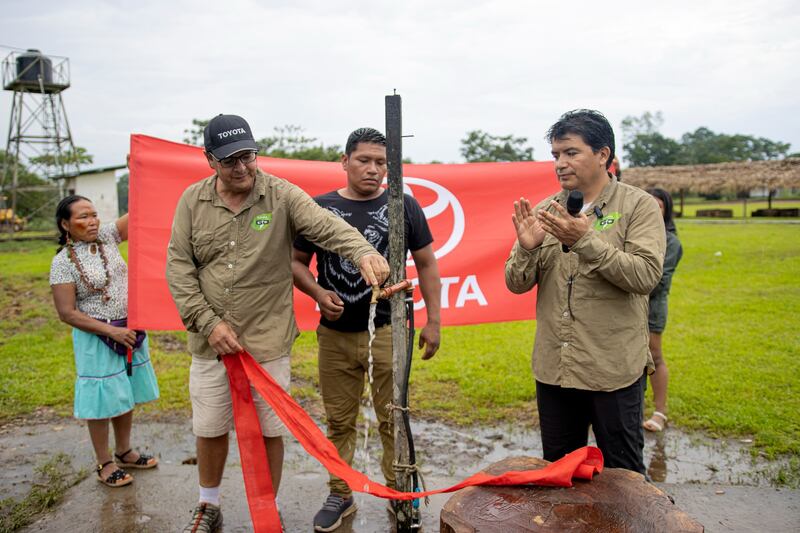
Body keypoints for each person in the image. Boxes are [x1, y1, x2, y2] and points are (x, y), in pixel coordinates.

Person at [166, 114, 390, 533]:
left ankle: (265, 508)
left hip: (267, 338)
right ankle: (208, 504)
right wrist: (208, 322)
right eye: (230, 159)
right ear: (209, 159)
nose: (242, 167)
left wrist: (362, 253)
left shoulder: (282, 195)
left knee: (271, 429)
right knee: (211, 426)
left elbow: (328, 226)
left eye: (248, 156)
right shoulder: (192, 202)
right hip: (211, 340)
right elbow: (179, 268)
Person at [292, 127, 442, 532]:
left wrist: (434, 321)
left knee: (394, 417)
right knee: (340, 420)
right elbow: (295, 262)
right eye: (364, 160)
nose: (373, 170)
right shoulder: (318, 208)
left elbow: (427, 263)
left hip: (392, 329)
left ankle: (399, 493)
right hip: (336, 333)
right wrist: (318, 292)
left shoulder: (404, 206)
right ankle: (340, 493)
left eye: (381, 163)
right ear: (344, 161)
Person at [504, 109, 666, 474]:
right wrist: (528, 249)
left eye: (571, 152)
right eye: (556, 155)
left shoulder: (637, 206)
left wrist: (586, 242)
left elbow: (645, 276)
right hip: (555, 370)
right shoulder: (546, 209)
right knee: (560, 473)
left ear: (603, 155)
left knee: (623, 479)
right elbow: (515, 284)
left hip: (612, 370)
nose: (560, 163)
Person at [49, 195, 160, 488]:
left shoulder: (109, 237)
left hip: (129, 331)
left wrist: (134, 169)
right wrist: (110, 332)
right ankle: (104, 462)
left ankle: (123, 451)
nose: (92, 221)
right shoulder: (62, 263)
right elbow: (67, 313)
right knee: (100, 400)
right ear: (65, 224)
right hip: (97, 338)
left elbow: (140, 208)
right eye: (83, 217)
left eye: (94, 214)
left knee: (124, 391)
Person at [643, 188, 683, 432]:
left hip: (652, 307)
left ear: (666, 210)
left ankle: (660, 412)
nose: (653, 210)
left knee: (654, 357)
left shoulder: (671, 242)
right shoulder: (634, 232)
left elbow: (657, 280)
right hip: (624, 306)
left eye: (658, 206)